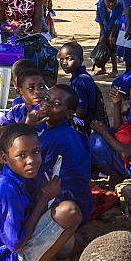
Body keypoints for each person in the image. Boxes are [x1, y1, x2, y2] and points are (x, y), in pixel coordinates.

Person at [0, 123, 80, 261]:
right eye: (21, 155)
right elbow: (15, 245)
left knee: (76, 242)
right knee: (70, 213)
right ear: (4, 157)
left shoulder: (26, 174)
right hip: (3, 260)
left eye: (36, 152)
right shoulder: (5, 189)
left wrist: (50, 256)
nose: (31, 160)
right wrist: (43, 199)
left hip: (8, 246)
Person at [38, 85, 94, 224]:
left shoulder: (50, 139)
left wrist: (27, 126)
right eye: (46, 99)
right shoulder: (80, 136)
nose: (47, 105)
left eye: (56, 104)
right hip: (84, 206)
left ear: (69, 114)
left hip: (61, 211)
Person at [0, 66, 48, 134]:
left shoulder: (43, 110)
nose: (38, 91)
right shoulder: (18, 110)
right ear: (18, 92)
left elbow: (8, 133)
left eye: (42, 86)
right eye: (31, 88)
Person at [58, 41, 103, 133]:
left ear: (81, 59)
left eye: (69, 59)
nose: (64, 63)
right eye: (61, 59)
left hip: (84, 126)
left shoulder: (79, 82)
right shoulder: (84, 76)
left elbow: (81, 112)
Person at [94, 0, 125, 75]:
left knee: (112, 48)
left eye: (114, 2)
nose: (111, 4)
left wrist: (111, 35)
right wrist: (103, 34)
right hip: (104, 28)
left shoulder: (120, 7)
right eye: (108, 2)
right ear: (104, 0)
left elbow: (117, 22)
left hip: (115, 30)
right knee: (102, 46)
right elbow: (99, 19)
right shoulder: (100, 6)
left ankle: (114, 69)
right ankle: (103, 68)